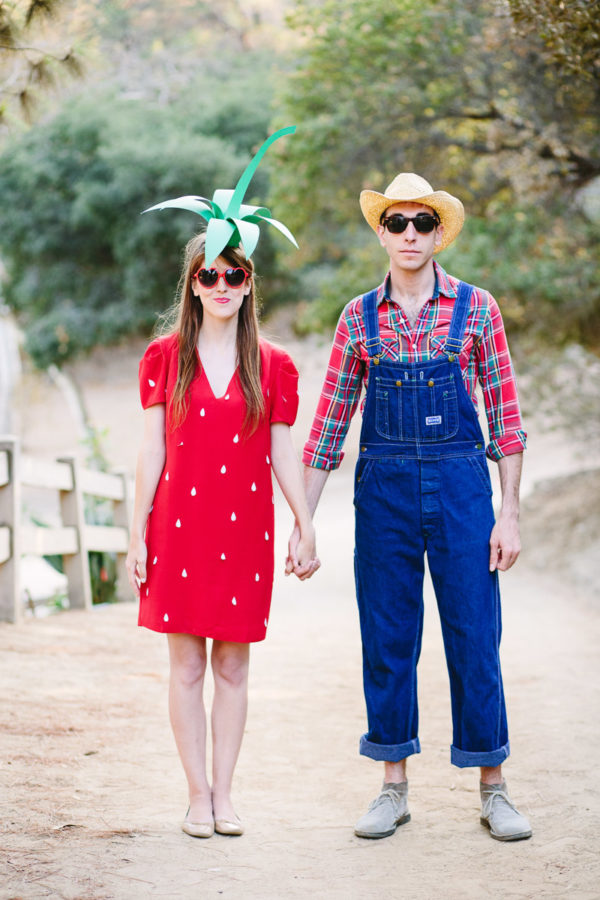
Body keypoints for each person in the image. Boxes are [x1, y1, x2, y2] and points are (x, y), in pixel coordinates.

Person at [288, 172, 532, 842]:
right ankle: (392, 787)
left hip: (461, 489)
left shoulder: (476, 308)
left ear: (439, 231)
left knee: (475, 635)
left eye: (422, 223)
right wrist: (305, 527)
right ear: (382, 232)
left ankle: (494, 785)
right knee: (389, 638)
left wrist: (507, 511)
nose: (410, 235)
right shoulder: (358, 318)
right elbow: (328, 428)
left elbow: (506, 420)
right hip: (385, 495)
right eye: (397, 223)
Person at [126, 130, 319, 839]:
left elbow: (281, 452)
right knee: (184, 665)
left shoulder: (274, 365)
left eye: (234, 276)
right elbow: (150, 450)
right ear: (192, 284)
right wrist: (135, 531)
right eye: (209, 276)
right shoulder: (161, 358)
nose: (222, 288)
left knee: (233, 665)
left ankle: (228, 795)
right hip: (175, 525)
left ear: (249, 283)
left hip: (243, 528)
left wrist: (305, 521)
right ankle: (196, 795)